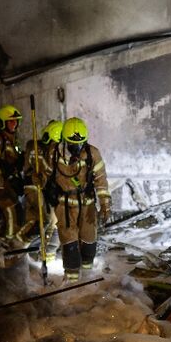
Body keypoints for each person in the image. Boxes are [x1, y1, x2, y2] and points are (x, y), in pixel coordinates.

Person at [47, 117, 111, 281]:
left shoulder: (92, 153)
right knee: (70, 245)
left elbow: (101, 180)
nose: (77, 147)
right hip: (65, 207)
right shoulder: (54, 153)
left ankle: (87, 278)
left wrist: (105, 204)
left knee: (89, 242)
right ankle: (72, 281)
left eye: (81, 143)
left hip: (87, 205)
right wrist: (38, 179)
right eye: (73, 144)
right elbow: (45, 175)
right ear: (64, 140)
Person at [16, 119, 61, 245]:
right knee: (42, 220)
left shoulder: (54, 152)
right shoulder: (34, 146)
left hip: (45, 188)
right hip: (33, 186)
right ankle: (20, 242)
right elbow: (44, 167)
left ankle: (45, 254)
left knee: (53, 219)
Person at [0, 105, 24, 240]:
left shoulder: (11, 139)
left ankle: (5, 239)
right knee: (3, 212)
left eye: (15, 121)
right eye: (10, 121)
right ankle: (3, 242)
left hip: (7, 180)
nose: (14, 124)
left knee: (12, 211)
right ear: (2, 123)